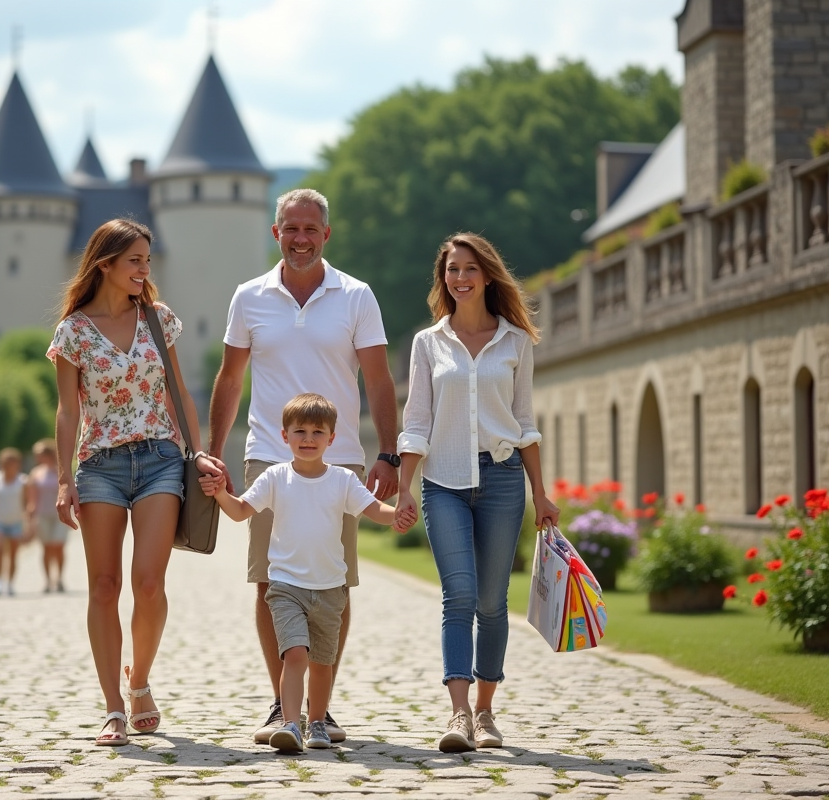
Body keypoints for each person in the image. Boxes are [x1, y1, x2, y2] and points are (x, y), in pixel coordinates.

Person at [207, 188, 399, 744]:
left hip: (338, 460)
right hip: (269, 451)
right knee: (271, 582)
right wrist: (217, 449)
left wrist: (387, 453)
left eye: (310, 229)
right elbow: (230, 378)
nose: (300, 239)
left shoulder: (356, 296)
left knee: (334, 584)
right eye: (291, 228)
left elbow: (380, 381)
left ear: (326, 235)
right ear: (276, 233)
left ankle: (320, 709)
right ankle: (281, 705)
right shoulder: (249, 297)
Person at [46, 218, 219, 746]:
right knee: (104, 586)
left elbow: (179, 394)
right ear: (105, 265)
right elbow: (68, 411)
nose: (146, 269)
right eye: (135, 261)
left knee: (148, 583)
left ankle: (139, 680)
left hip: (162, 458)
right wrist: (63, 478)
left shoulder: (160, 321)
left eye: (147, 260)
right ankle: (113, 708)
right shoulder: (73, 330)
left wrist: (202, 451)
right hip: (99, 465)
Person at [394, 232, 560, 753]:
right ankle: (459, 715)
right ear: (443, 279)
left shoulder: (514, 343)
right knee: (458, 595)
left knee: (492, 602)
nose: (459, 278)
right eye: (451, 270)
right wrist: (404, 486)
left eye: (469, 269)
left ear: (487, 275)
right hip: (442, 481)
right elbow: (416, 420)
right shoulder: (428, 344)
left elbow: (525, 421)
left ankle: (487, 712)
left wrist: (542, 492)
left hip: (504, 480)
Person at [201, 394, 414, 752]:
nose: (308, 438)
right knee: (295, 654)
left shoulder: (343, 480)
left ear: (332, 438)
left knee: (321, 662)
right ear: (285, 436)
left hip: (331, 588)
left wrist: (398, 515)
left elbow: (374, 509)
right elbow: (239, 512)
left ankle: (317, 723)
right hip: (286, 586)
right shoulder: (275, 477)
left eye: (318, 431)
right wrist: (221, 493)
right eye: (299, 431)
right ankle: (289, 723)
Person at [0, 447, 29, 597]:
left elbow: (26, 503)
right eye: (6, 463)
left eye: (12, 463)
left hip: (15, 521)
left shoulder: (23, 481)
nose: (9, 466)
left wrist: (27, 523)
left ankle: (10, 583)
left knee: (13, 554)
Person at [28, 439, 69, 593]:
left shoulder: (61, 470)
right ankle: (47, 580)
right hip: (42, 515)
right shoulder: (36, 473)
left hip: (60, 515)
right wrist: (30, 519)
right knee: (46, 548)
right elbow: (32, 498)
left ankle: (59, 578)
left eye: (39, 454)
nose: (36, 457)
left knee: (58, 546)